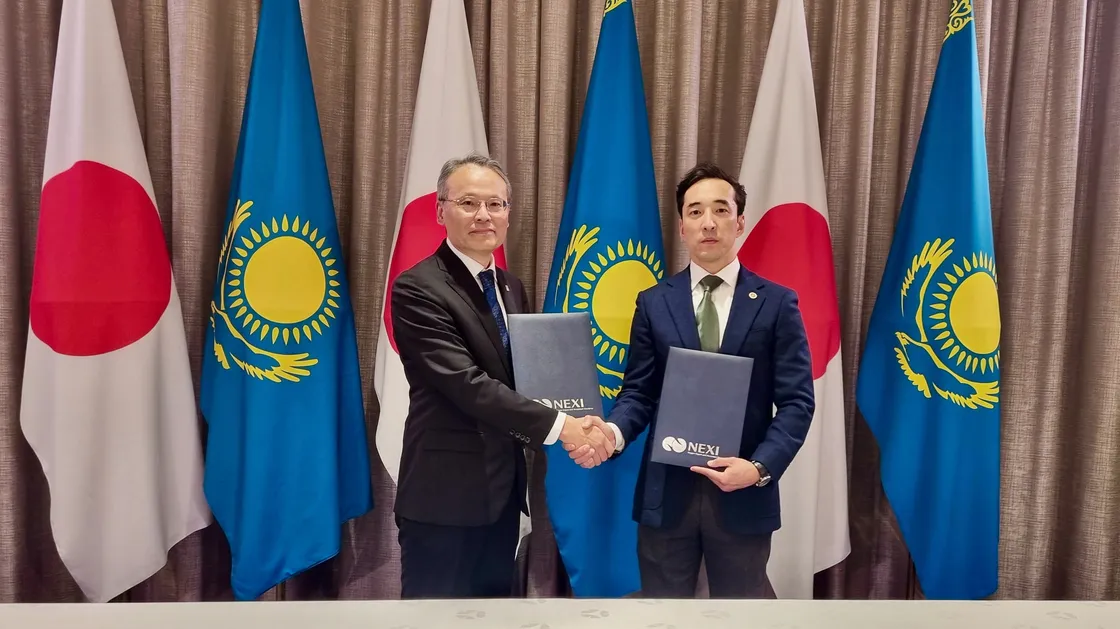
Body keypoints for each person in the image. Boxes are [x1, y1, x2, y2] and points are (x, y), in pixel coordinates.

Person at [568, 163, 815, 598]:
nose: (708, 223)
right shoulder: (653, 303)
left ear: (740, 222)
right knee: (663, 618)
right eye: (695, 211)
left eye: (721, 210)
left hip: (742, 495)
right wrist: (612, 431)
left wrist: (759, 468)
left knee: (740, 618)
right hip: (666, 495)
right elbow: (638, 392)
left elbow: (797, 402)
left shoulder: (777, 303)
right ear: (682, 227)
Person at [390, 153, 614, 599]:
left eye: (495, 204)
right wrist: (565, 427)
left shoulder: (510, 288)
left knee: (492, 617)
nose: (483, 215)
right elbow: (468, 385)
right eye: (468, 203)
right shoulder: (417, 288)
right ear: (441, 210)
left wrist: (578, 418)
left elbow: (525, 382)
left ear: (508, 213)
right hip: (443, 501)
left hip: (502, 497)